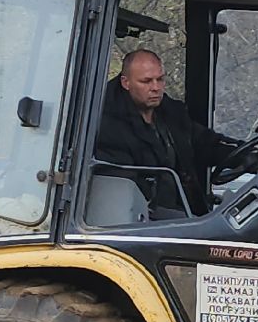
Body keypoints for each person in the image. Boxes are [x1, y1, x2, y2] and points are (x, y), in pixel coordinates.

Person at [94, 49, 242, 217]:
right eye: (146, 81)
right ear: (125, 82)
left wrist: (243, 155)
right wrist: (182, 219)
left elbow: (203, 142)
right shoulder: (108, 127)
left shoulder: (170, 113)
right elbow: (130, 191)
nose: (155, 88)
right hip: (146, 221)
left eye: (160, 79)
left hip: (185, 213)